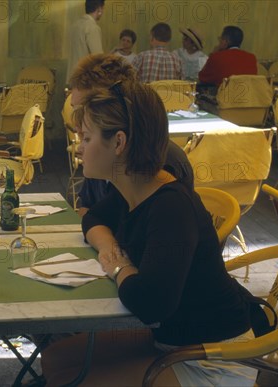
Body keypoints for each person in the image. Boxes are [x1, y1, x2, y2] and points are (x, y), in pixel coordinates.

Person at [41, 79, 256, 386]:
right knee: (55, 360)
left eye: (86, 138)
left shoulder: (170, 206)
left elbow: (149, 302)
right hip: (170, 339)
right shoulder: (134, 186)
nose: (78, 147)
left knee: (72, 380)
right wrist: (111, 252)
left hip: (213, 357)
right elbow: (93, 219)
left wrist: (117, 266)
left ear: (118, 142)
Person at [68, 54, 193, 216]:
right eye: (75, 109)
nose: (78, 124)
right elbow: (88, 211)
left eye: (84, 110)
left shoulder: (155, 159)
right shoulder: (101, 154)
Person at [66, 0, 105, 84]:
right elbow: (97, 57)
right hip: (86, 79)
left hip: (72, 76)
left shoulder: (75, 26)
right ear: (99, 9)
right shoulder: (92, 27)